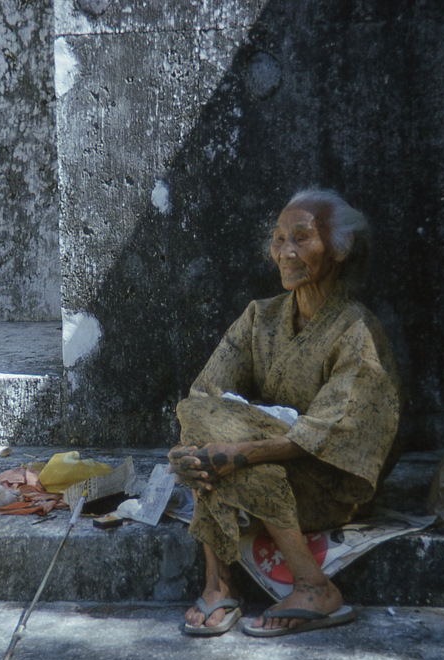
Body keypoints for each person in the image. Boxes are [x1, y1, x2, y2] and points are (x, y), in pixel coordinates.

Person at [168, 188, 402, 637]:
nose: (285, 252)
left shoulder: (356, 330)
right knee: (199, 427)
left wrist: (239, 452)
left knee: (240, 464)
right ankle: (221, 584)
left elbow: (331, 432)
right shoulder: (260, 317)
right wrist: (191, 450)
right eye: (278, 238)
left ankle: (309, 587)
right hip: (266, 464)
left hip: (327, 483)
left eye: (301, 237)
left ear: (339, 249)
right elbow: (203, 395)